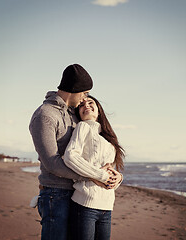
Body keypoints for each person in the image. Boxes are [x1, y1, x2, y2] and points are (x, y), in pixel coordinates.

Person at [29, 64, 121, 240]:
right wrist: (95, 176)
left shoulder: (73, 114)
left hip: (76, 194)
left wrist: (114, 176)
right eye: (85, 93)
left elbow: (93, 155)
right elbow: (52, 163)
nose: (85, 98)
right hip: (55, 195)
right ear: (74, 89)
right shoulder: (44, 115)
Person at [63, 95, 125, 240]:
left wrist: (119, 178)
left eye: (91, 103)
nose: (86, 105)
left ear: (99, 111)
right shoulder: (83, 126)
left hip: (107, 206)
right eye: (82, 105)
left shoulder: (107, 138)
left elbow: (109, 168)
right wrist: (102, 176)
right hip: (85, 204)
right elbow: (70, 156)